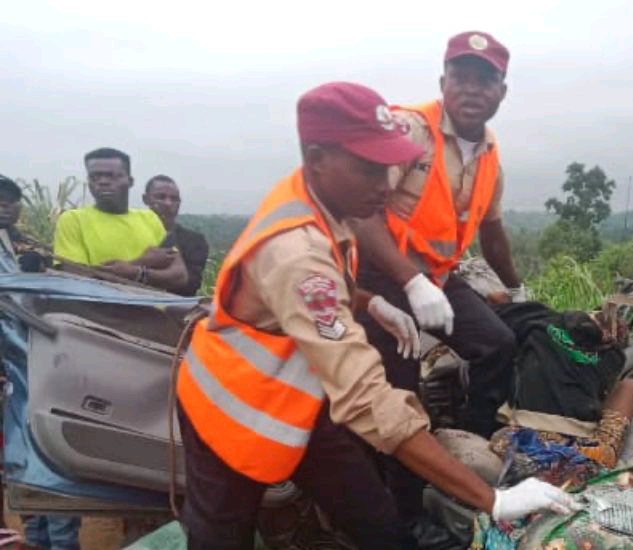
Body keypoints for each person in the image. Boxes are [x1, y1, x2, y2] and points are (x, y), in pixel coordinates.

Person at [175, 81, 577, 550]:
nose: (385, 185)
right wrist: (493, 499)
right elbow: (366, 397)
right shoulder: (295, 252)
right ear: (317, 156)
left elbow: (334, 278)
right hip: (232, 406)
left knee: (375, 518)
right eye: (369, 169)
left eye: (390, 166)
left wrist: (371, 303)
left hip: (303, 399)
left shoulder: (321, 198)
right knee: (223, 533)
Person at [352, 30, 524, 526]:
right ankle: (406, 512)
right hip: (379, 274)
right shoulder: (409, 131)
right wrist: (409, 282)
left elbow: (492, 231)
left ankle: (463, 451)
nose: (472, 90)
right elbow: (363, 216)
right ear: (443, 81)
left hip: (437, 277)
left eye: (485, 81)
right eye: (461, 78)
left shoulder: (489, 152)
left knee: (497, 343)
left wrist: (515, 289)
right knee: (400, 397)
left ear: (502, 92)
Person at [0, 176, 77, 549]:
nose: (7, 206)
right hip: (19, 370)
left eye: (13, 200)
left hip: (28, 369)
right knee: (45, 463)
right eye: (0, 200)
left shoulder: (14, 245)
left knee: (39, 462)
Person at [53, 148, 188, 292]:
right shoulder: (73, 220)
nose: (103, 182)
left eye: (112, 176)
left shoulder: (149, 218)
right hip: (98, 312)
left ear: (130, 181)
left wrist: (137, 272)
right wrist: (142, 263)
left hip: (153, 309)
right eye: (95, 177)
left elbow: (180, 276)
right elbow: (75, 280)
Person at [143, 175, 209, 296]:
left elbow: (190, 285)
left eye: (174, 199)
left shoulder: (194, 241)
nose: (168, 203)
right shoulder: (131, 234)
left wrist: (138, 271)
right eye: (161, 197)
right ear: (146, 199)